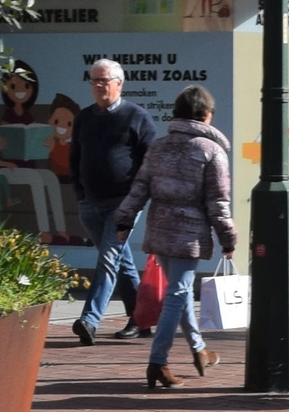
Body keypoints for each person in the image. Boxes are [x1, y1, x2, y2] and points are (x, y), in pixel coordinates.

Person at [114, 86, 236, 391]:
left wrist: (125, 219)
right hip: (188, 234)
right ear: (207, 115)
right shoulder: (212, 152)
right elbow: (218, 203)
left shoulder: (159, 147)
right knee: (177, 295)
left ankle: (199, 350)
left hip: (160, 229)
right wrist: (228, 238)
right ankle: (158, 362)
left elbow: (140, 188)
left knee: (177, 293)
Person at [68, 58, 160, 344]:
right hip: (90, 204)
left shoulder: (137, 116)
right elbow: (74, 159)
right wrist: (80, 195)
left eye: (103, 80)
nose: (97, 85)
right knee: (121, 263)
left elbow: (150, 161)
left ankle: (89, 320)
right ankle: (140, 320)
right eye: (93, 80)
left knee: (108, 258)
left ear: (119, 84)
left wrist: (137, 199)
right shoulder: (84, 117)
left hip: (123, 203)